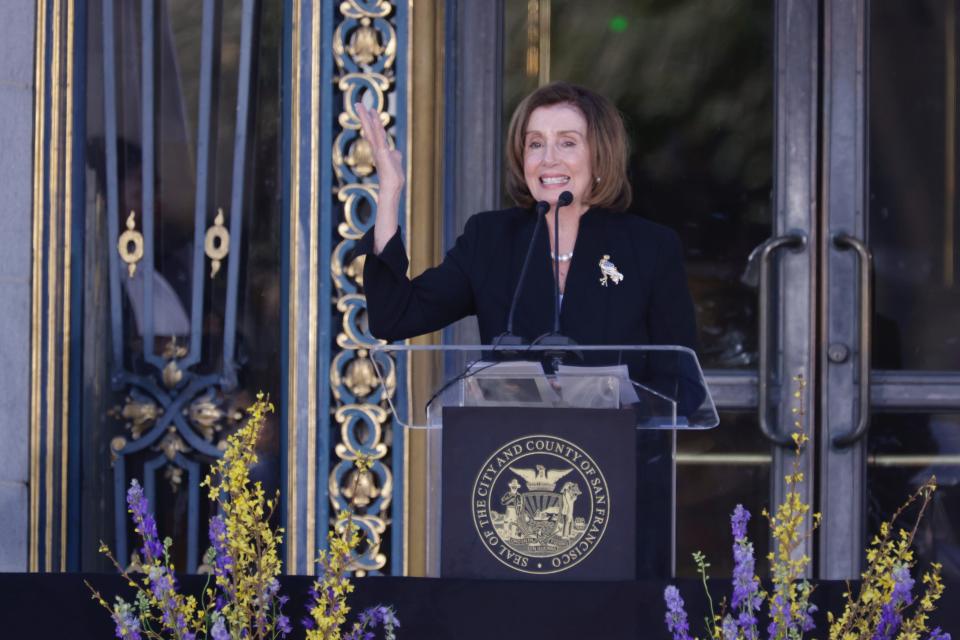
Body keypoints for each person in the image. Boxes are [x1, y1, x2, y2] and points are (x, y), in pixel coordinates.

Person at [356, 82, 699, 578]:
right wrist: (389, 190)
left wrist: (615, 402)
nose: (547, 157)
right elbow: (395, 317)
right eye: (535, 143)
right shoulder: (490, 239)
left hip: (618, 497)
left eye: (567, 141)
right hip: (504, 504)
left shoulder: (649, 247)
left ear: (600, 155)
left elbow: (680, 387)